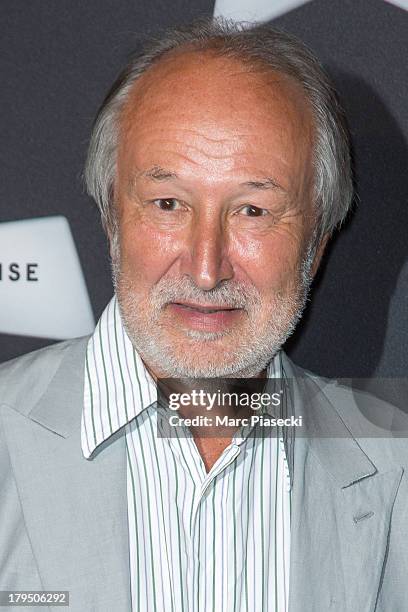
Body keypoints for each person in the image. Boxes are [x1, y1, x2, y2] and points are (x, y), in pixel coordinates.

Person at [1, 18, 407, 612]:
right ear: (113, 220)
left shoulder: (393, 470)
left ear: (317, 245)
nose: (205, 267)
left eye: (252, 210)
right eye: (168, 204)